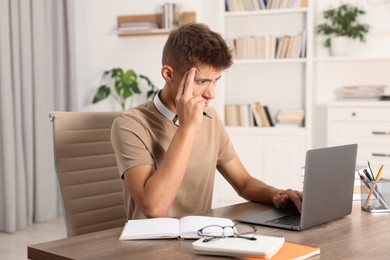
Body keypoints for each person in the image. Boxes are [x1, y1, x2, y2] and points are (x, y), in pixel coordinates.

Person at [111, 23, 302, 220]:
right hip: (148, 244)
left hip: (198, 238)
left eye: (215, 81)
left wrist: (275, 193)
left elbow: (243, 182)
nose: (211, 94)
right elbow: (154, 208)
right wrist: (187, 129)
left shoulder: (210, 118)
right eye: (201, 81)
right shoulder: (130, 124)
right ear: (168, 74)